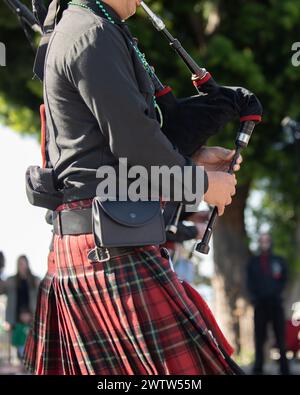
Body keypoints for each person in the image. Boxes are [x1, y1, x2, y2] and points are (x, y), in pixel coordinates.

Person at [24, 0, 241, 375]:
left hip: (104, 240)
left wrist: (196, 158)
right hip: (107, 247)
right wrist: (202, 184)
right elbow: (135, 144)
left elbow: (111, 142)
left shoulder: (91, 25)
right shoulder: (91, 33)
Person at [246, 233, 289, 375]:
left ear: (270, 242)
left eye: (267, 240)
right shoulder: (253, 262)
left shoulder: (279, 261)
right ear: (259, 243)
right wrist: (254, 299)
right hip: (260, 305)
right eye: (262, 240)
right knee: (259, 337)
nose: (264, 243)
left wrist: (277, 294)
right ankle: (258, 367)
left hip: (276, 304)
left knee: (280, 336)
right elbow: (249, 282)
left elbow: (284, 280)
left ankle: (284, 368)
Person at [0, 255, 40, 360]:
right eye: (19, 264)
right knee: (20, 353)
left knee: (32, 351)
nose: (21, 266)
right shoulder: (11, 281)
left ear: (27, 264)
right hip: (16, 322)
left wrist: (31, 315)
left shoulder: (35, 280)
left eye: (23, 263)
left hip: (32, 322)